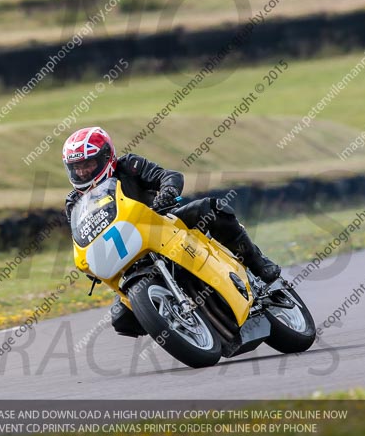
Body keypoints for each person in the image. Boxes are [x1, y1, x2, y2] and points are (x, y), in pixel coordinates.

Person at [62, 126, 281, 337]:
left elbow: (169, 175)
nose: (81, 172)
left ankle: (257, 263)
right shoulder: (74, 202)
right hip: (124, 253)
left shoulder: (129, 165)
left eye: (88, 164)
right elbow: (81, 235)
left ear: (105, 157)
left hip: (164, 222)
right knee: (122, 320)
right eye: (76, 167)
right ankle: (178, 321)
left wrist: (166, 193)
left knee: (212, 208)